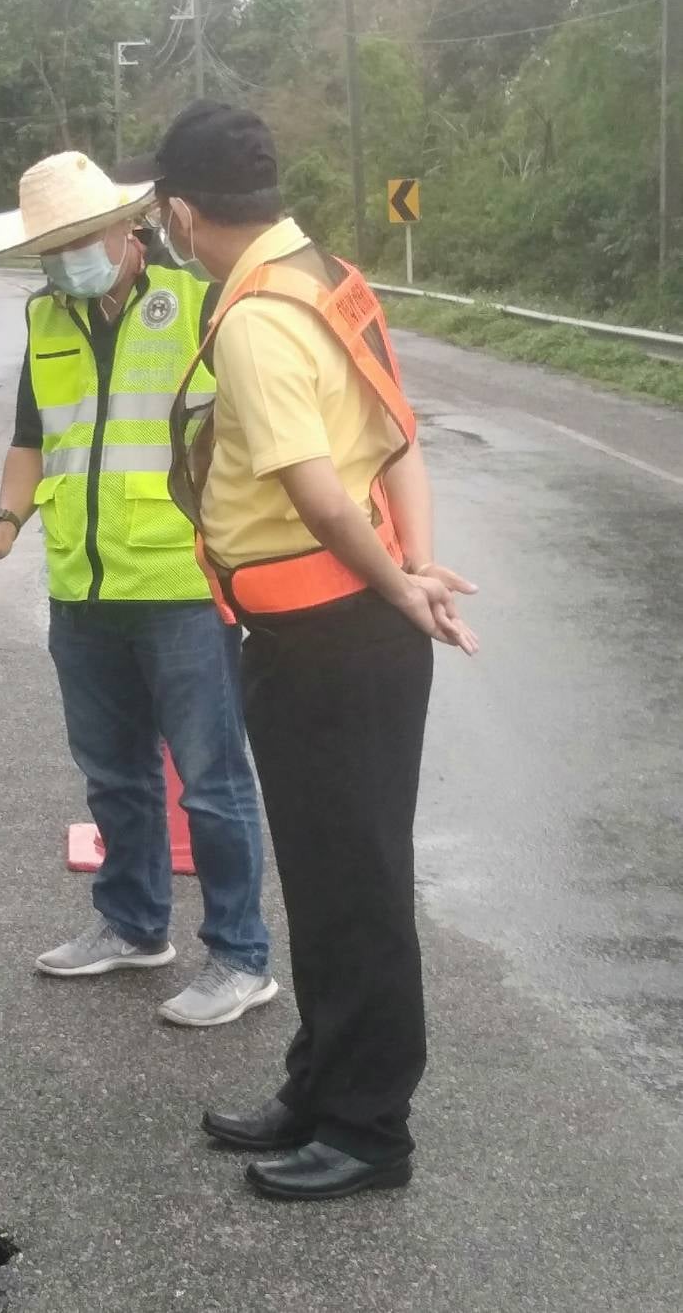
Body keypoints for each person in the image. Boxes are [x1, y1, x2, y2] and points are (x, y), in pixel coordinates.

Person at [118, 101, 478, 1196]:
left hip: (329, 638)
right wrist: (416, 566)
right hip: (334, 631)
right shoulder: (328, 276)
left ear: (182, 213)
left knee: (354, 888)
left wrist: (399, 588)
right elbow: (399, 440)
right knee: (329, 881)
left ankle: (368, 1131)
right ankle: (319, 1084)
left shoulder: (255, 317)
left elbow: (319, 493)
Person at [0, 150, 275, 1027]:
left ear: (131, 227)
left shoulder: (200, 301)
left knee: (211, 783)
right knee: (114, 775)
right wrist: (5, 520)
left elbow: (256, 427)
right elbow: (31, 438)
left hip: (181, 584)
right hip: (82, 587)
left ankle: (241, 957)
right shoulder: (45, 317)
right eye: (50, 247)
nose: (66, 259)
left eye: (80, 239)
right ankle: (132, 925)